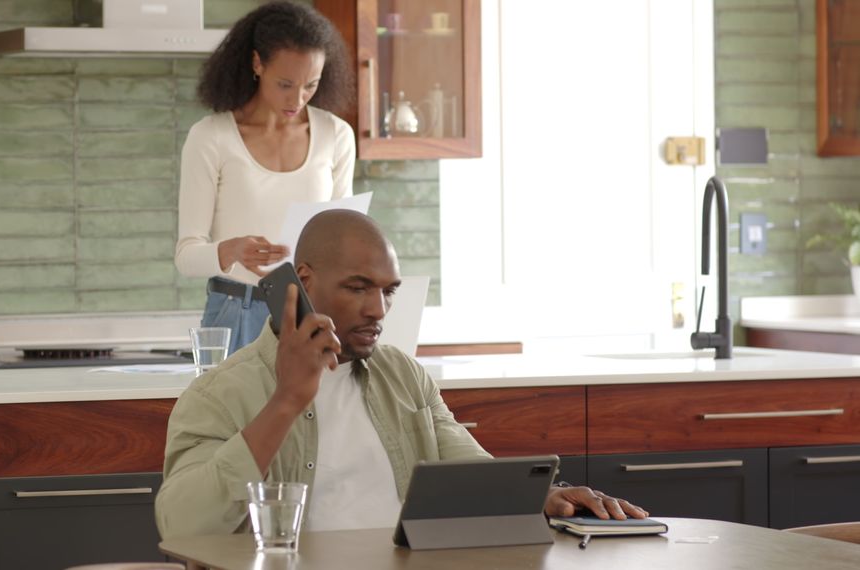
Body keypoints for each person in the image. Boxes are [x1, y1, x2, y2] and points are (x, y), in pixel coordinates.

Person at [156, 210, 648, 539]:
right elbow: (181, 525)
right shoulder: (219, 394)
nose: (378, 310)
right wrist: (287, 401)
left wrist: (545, 495)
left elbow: (472, 471)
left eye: (388, 291)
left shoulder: (403, 376)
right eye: (358, 287)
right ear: (302, 282)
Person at [175, 1, 356, 354]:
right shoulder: (211, 137)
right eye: (286, 84)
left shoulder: (336, 135)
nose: (298, 99)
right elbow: (186, 255)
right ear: (257, 63)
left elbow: (345, 239)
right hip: (236, 312)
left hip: (312, 316)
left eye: (311, 85)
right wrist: (231, 250)